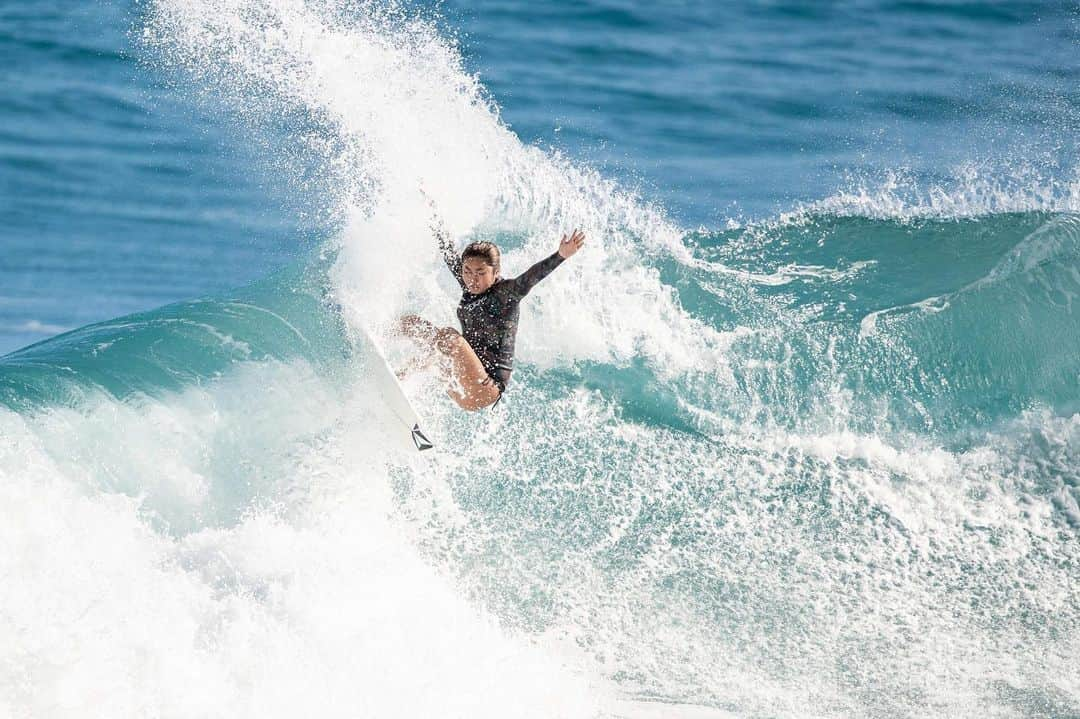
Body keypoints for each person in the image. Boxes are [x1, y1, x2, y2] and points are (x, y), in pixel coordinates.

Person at [397, 222, 586, 411]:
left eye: (480, 273)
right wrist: (433, 218)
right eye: (467, 271)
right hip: (460, 379)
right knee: (410, 323)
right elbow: (448, 251)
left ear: (496, 273)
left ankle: (403, 374)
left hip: (484, 388)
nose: (472, 278)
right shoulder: (469, 285)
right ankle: (376, 342)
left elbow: (531, 277)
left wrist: (561, 255)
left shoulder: (506, 294)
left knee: (450, 337)